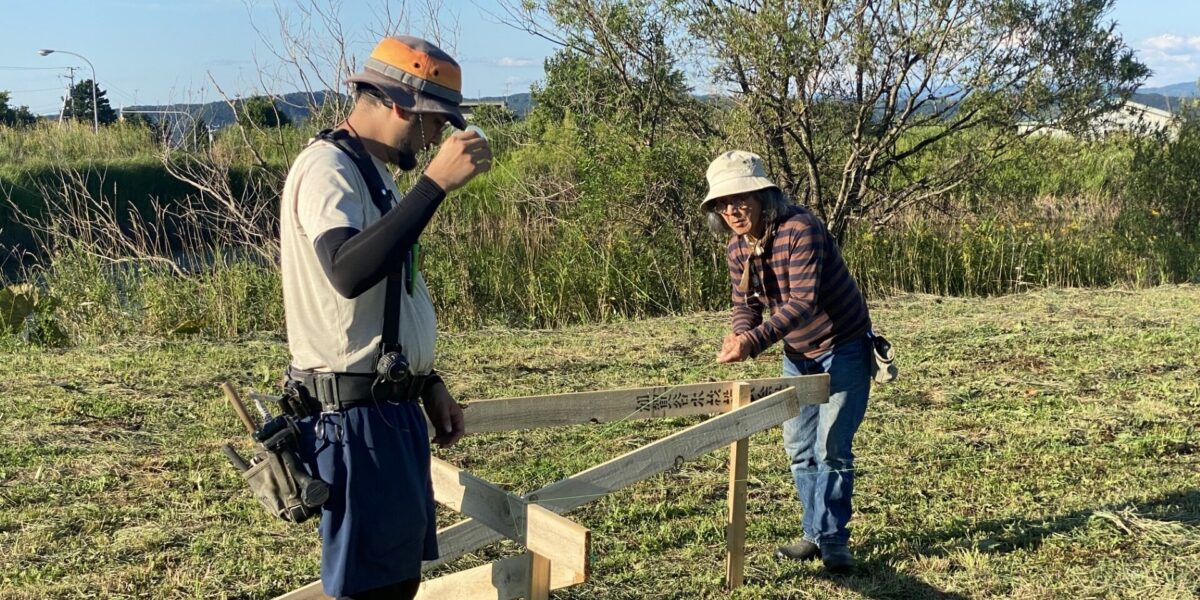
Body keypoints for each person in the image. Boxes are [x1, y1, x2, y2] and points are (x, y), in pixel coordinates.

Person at [278, 35, 491, 599]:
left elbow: (382, 300)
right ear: (400, 105)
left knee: (398, 582)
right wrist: (434, 185)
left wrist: (426, 381)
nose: (436, 137)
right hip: (354, 423)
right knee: (374, 589)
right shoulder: (327, 167)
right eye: (434, 122)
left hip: (387, 411)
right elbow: (347, 271)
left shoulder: (373, 173)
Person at [701, 150, 872, 572]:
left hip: (842, 345)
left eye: (740, 199)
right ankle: (813, 534)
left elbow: (802, 302)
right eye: (723, 204)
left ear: (763, 197)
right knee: (799, 448)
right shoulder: (737, 248)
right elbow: (745, 304)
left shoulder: (800, 229)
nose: (732, 211)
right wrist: (740, 332)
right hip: (798, 353)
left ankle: (833, 541)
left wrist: (752, 343)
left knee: (832, 448)